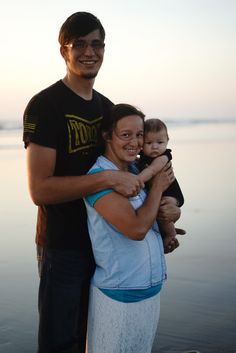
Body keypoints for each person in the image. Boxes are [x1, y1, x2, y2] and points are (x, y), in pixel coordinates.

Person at [23, 11, 182, 353]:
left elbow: (140, 163)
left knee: (92, 339)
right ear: (64, 51)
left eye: (96, 44)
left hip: (107, 245)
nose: (88, 52)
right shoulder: (45, 106)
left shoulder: (106, 108)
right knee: (60, 342)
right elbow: (39, 190)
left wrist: (168, 208)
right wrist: (107, 179)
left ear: (105, 49)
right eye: (78, 44)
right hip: (63, 244)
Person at [84, 103, 176, 353]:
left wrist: (172, 211)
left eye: (139, 135)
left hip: (152, 288)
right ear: (107, 136)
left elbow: (154, 212)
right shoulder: (99, 177)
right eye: (125, 135)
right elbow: (136, 230)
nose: (134, 143)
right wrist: (157, 187)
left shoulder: (138, 169)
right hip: (120, 294)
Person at [138, 118, 185, 252]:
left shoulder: (163, 157)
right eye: (149, 142)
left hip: (171, 193)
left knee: (163, 209)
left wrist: (137, 180)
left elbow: (152, 170)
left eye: (160, 142)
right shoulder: (141, 157)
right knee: (157, 210)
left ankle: (170, 234)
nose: (155, 146)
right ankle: (164, 230)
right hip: (161, 191)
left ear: (167, 141)